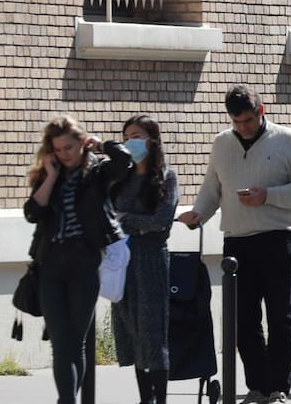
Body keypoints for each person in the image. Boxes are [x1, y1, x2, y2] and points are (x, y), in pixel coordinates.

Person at [177, 86, 291, 404]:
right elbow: (212, 187)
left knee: (280, 317)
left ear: (261, 111)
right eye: (237, 121)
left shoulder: (287, 140)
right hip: (237, 241)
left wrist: (268, 195)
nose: (243, 127)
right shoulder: (222, 144)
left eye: (249, 120)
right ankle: (257, 386)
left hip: (277, 237)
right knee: (243, 320)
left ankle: (278, 387)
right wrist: (199, 213)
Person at [24, 116, 132, 404]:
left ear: (81, 144)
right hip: (51, 265)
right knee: (61, 342)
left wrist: (102, 144)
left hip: (84, 264)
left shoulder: (97, 173)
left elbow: (125, 163)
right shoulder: (50, 175)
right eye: (58, 149)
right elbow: (32, 212)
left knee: (76, 341)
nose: (64, 154)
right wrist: (50, 176)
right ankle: (67, 401)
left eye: (69, 147)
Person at [112, 115, 179, 404]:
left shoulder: (166, 176)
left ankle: (159, 398)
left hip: (151, 259)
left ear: (152, 139)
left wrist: (126, 221)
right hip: (122, 258)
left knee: (153, 332)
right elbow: (109, 214)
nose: (130, 142)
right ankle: (144, 398)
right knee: (132, 331)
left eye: (137, 136)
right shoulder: (120, 176)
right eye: (127, 136)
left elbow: (162, 221)